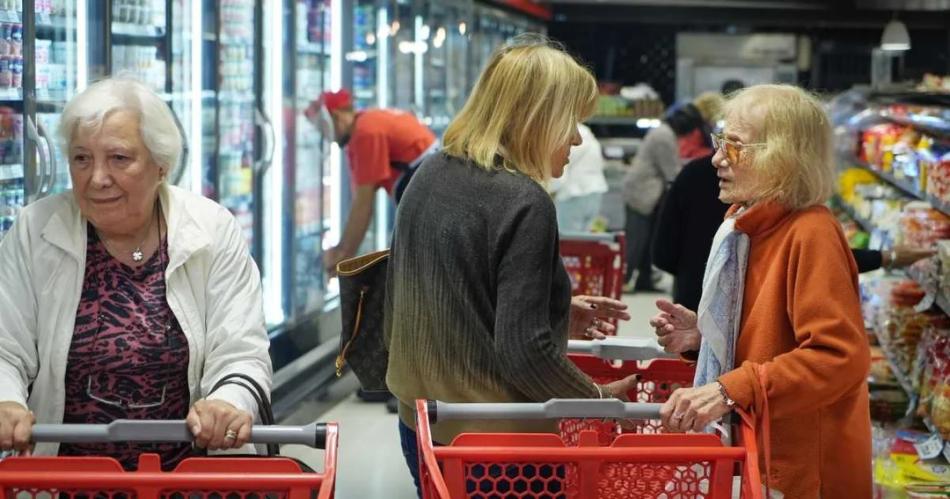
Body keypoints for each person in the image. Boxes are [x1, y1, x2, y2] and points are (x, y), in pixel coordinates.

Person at [384, 34, 639, 495]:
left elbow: (451, 292)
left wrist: (552, 307)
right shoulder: (523, 200)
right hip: (498, 446)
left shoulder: (429, 173)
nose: (577, 139)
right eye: (571, 123)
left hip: (421, 422)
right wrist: (597, 400)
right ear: (537, 117)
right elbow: (524, 353)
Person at [0, 78, 272, 469]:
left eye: (119, 158)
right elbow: (5, 346)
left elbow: (241, 350)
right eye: (81, 159)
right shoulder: (34, 230)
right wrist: (7, 400)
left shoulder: (210, 230)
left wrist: (228, 403)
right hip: (67, 480)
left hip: (188, 479)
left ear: (160, 165)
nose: (96, 178)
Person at [650, 84, 872, 498]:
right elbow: (773, 339)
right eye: (720, 142)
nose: (716, 158)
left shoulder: (811, 233)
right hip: (772, 456)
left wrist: (729, 388)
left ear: (782, 157)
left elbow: (839, 357)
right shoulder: (749, 226)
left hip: (809, 471)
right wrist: (706, 339)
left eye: (733, 146)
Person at [304, 89, 438, 277]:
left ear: (337, 117)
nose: (325, 135)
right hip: (432, 197)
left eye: (323, 126)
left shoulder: (365, 132)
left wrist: (342, 256)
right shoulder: (368, 123)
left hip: (432, 201)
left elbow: (363, 205)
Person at [622, 92, 723, 293]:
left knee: (647, 240)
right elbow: (672, 172)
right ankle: (623, 281)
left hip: (648, 192)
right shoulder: (664, 136)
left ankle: (645, 281)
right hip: (642, 193)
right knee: (636, 241)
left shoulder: (665, 132)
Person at [548, 123, 608, 232]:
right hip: (595, 194)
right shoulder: (591, 138)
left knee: (568, 241)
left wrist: (546, 192)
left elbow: (560, 173)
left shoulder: (565, 135)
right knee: (585, 241)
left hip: (573, 195)